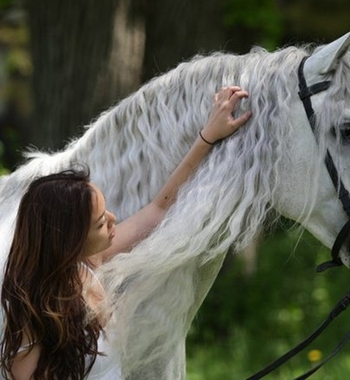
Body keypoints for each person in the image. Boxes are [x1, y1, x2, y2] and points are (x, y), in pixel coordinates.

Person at [0, 86, 251, 380]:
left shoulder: (88, 263)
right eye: (100, 222)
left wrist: (208, 136)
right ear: (69, 243)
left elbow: (160, 207)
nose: (113, 219)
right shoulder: (28, 325)